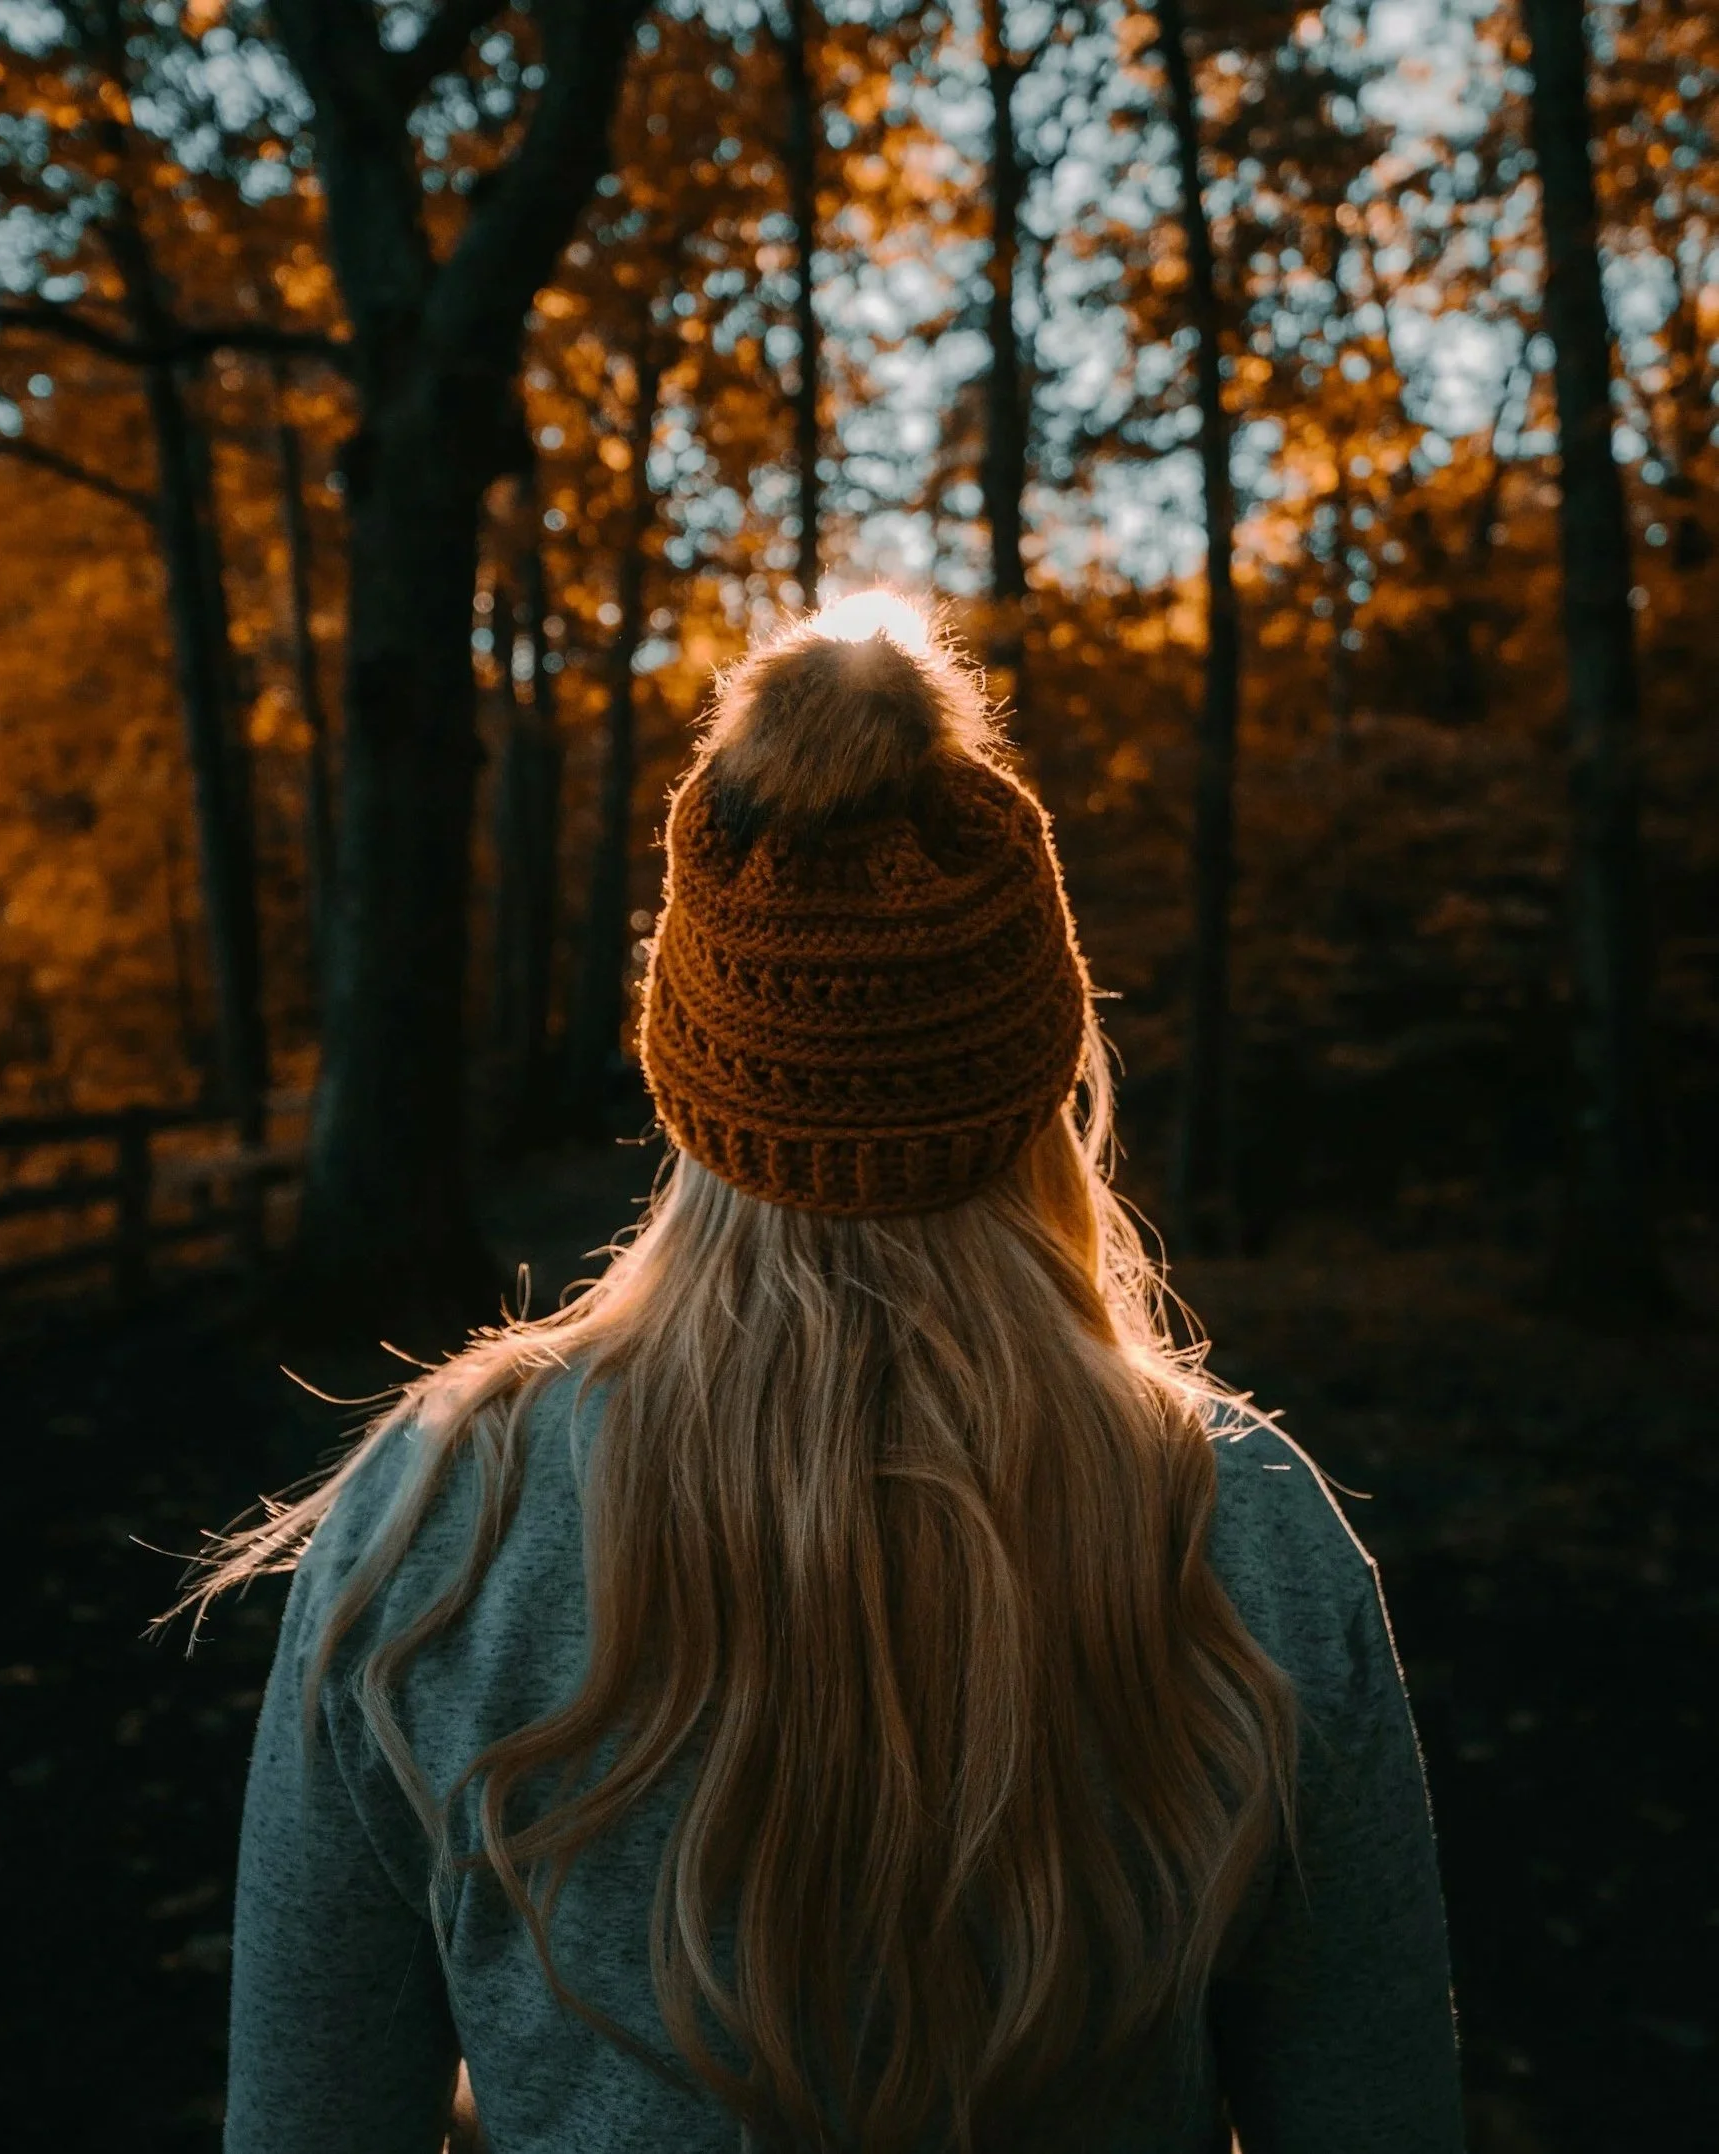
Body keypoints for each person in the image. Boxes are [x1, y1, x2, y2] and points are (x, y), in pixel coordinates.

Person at [178, 592, 1465, 2154]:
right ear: (1049, 1078)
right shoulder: (1244, 1525)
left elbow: (304, 2120)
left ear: (684, 1076)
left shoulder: (438, 1524)